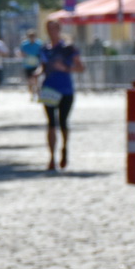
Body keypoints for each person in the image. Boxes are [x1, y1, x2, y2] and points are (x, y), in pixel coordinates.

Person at [38, 18, 83, 171]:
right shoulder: (45, 49)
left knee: (63, 122)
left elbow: (81, 67)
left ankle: (64, 148)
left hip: (65, 89)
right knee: (51, 123)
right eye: (49, 29)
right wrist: (35, 74)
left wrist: (66, 69)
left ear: (59, 29)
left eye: (55, 28)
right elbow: (43, 67)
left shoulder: (68, 48)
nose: (52, 31)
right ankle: (51, 157)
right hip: (49, 89)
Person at [18, 29, 45, 101]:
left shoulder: (39, 44)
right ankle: (32, 93)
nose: (32, 38)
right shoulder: (24, 44)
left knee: (36, 80)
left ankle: (37, 93)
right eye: (30, 36)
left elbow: (42, 53)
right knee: (30, 81)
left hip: (36, 65)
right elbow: (20, 53)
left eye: (33, 36)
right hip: (27, 65)